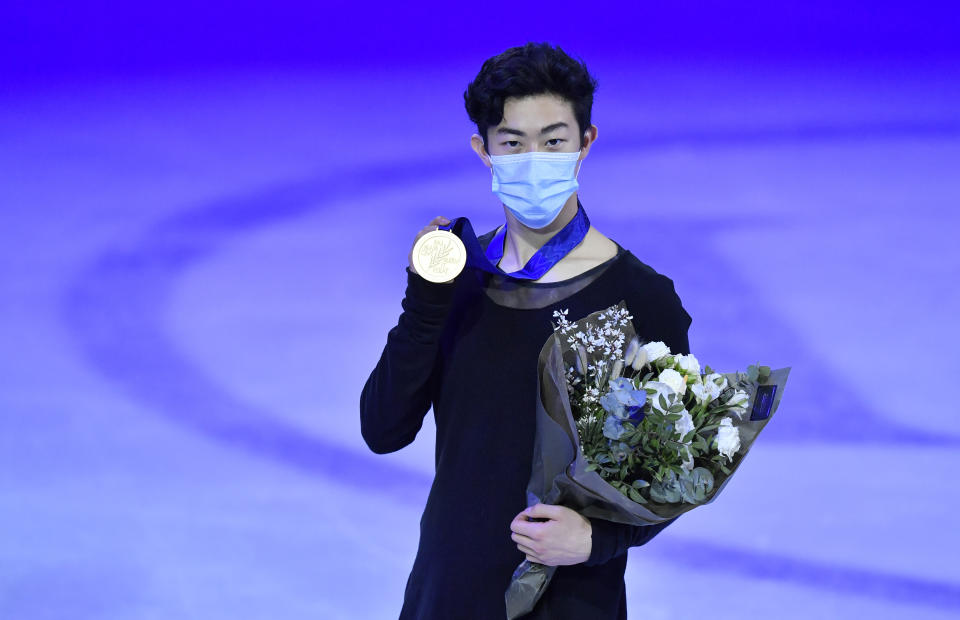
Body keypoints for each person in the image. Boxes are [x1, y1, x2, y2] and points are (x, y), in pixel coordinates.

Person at [360, 42, 692, 620]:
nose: (533, 158)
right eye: (513, 143)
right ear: (483, 150)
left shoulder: (640, 298)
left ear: (586, 143)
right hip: (450, 591)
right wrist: (424, 299)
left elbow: (671, 470)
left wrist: (597, 540)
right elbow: (383, 429)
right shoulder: (457, 279)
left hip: (571, 598)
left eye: (554, 140)